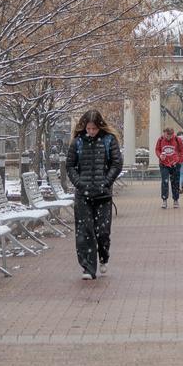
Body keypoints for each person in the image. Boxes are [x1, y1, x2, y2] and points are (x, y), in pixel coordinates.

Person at [62, 108, 123, 279]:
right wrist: (79, 183)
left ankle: (104, 256)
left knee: (103, 232)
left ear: (100, 126)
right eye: (88, 128)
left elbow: (116, 164)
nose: (91, 131)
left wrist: (106, 182)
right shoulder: (78, 142)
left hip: (103, 194)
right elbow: (70, 166)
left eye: (94, 128)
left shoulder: (109, 140)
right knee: (84, 231)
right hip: (83, 194)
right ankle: (88, 268)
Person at [153, 124, 183, 209]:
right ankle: (164, 200)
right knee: (165, 182)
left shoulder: (177, 139)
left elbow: (182, 151)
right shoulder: (160, 139)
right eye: (166, 135)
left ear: (172, 134)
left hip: (175, 164)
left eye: (170, 136)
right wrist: (160, 156)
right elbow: (157, 149)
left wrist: (180, 161)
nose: (168, 137)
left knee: (175, 182)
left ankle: (175, 200)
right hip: (164, 164)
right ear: (164, 133)